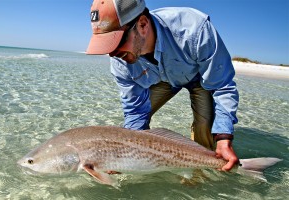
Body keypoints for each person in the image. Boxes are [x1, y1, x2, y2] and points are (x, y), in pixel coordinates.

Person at [86, 0, 239, 171]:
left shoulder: (194, 30)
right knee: (130, 131)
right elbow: (135, 111)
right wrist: (124, 156)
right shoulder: (120, 60)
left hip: (200, 79)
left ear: (143, 25)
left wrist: (224, 137)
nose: (112, 53)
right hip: (161, 80)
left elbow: (222, 85)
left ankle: (202, 173)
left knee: (206, 128)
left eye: (116, 42)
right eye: (107, 45)